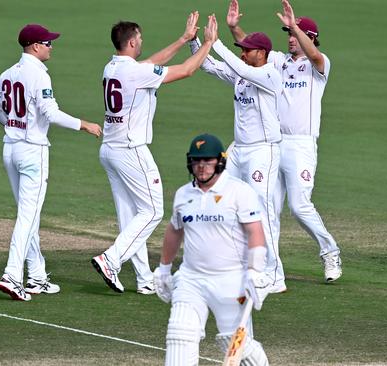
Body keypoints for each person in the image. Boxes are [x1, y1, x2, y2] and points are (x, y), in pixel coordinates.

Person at [92, 13, 219, 295]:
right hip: (131, 150)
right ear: (133, 41)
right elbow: (186, 70)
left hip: (110, 150)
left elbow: (151, 64)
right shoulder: (135, 72)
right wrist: (207, 44)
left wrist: (184, 39)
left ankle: (143, 278)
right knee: (152, 211)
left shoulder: (112, 67)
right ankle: (110, 259)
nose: (142, 43)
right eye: (140, 39)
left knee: (130, 215)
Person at [227, 0, 342, 282]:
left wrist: (296, 27)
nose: (290, 38)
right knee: (270, 209)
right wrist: (233, 28)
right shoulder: (278, 61)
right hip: (274, 144)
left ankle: (330, 252)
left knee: (300, 206)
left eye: (295, 34)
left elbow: (313, 54)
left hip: (302, 144)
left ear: (311, 37)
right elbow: (252, 49)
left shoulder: (319, 65)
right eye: (288, 33)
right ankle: (270, 270)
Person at [0, 24, 103, 301]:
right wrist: (84, 125)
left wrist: (14, 124)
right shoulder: (38, 75)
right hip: (32, 151)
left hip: (10, 150)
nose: (52, 46)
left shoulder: (8, 73)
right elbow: (50, 113)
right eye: (48, 43)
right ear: (35, 47)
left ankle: (37, 276)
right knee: (27, 216)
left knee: (30, 215)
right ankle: (12, 275)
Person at [154, 133, 270, 366]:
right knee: (179, 335)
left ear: (220, 162)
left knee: (235, 343)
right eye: (196, 161)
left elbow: (255, 231)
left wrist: (255, 271)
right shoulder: (183, 194)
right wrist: (164, 269)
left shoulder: (239, 191)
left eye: (207, 161)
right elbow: (174, 231)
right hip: (191, 278)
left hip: (231, 279)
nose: (201, 167)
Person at [189, 20, 284, 293]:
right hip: (239, 149)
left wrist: (216, 41)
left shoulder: (269, 75)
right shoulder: (242, 74)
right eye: (241, 49)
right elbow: (208, 65)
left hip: (262, 151)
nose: (243, 53)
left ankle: (275, 274)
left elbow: (239, 66)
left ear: (262, 53)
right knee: (220, 200)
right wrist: (198, 43)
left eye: (248, 49)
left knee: (263, 211)